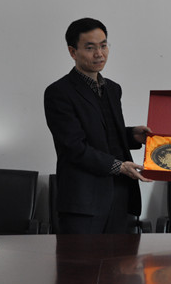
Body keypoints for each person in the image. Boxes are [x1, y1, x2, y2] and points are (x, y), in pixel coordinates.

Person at [44, 18, 152, 234]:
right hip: (83, 202)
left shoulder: (113, 89)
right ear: (73, 52)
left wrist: (133, 135)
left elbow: (104, 133)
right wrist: (119, 166)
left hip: (120, 197)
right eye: (90, 48)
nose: (99, 54)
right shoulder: (59, 92)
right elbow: (74, 147)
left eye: (103, 46)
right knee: (80, 258)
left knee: (120, 257)